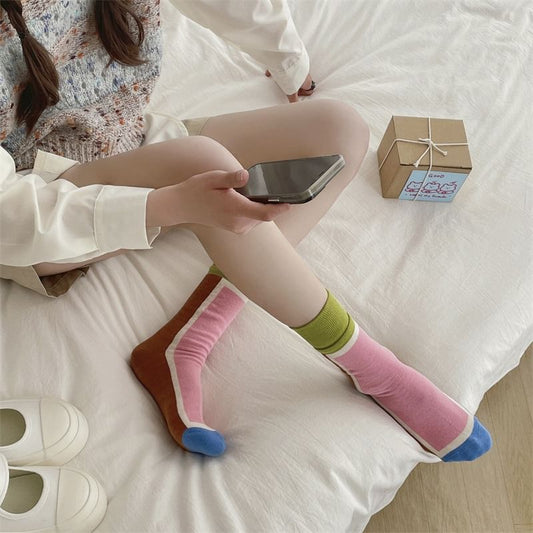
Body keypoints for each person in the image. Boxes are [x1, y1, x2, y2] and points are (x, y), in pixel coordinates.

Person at [0, 0, 492, 462]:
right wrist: (167, 204)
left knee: (340, 128)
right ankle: (376, 370)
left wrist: (289, 61)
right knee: (202, 160)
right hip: (44, 208)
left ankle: (185, 338)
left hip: (136, 140)